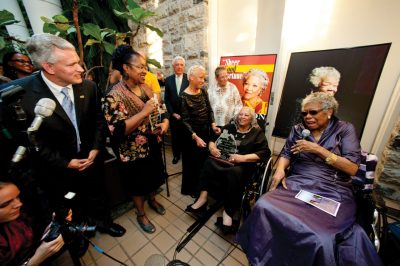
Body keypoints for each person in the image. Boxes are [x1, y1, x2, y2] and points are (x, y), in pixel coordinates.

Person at [0, 33, 125, 238]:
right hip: (57, 170)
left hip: (91, 159)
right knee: (69, 201)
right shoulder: (18, 96)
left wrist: (95, 148)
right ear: (49, 67)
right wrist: (65, 163)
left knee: (98, 193)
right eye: (71, 65)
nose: (81, 69)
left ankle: (104, 222)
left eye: (79, 62)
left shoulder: (89, 87)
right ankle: (80, 232)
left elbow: (98, 122)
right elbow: (28, 142)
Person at [236, 92, 381, 265]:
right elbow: (286, 152)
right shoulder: (298, 130)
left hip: (332, 188)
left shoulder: (345, 129)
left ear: (329, 112)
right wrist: (280, 169)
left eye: (313, 112)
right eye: (304, 113)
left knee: (321, 235)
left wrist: (318, 149)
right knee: (263, 205)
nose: (307, 117)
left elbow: (352, 168)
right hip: (299, 182)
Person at [103, 45, 169, 234]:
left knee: (154, 176)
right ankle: (141, 213)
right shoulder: (113, 96)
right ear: (126, 68)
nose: (144, 70)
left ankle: (153, 199)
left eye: (145, 66)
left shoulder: (146, 88)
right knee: (137, 183)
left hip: (152, 144)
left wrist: (165, 123)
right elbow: (117, 131)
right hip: (131, 150)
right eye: (140, 66)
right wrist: (144, 112)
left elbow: (161, 108)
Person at [185, 107, 270, 233]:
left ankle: (228, 212)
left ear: (251, 119)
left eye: (246, 115)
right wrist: (212, 148)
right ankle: (202, 198)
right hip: (223, 160)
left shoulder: (257, 133)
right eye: (240, 114)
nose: (242, 117)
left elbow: (264, 153)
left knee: (234, 173)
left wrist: (243, 158)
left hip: (241, 166)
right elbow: (213, 139)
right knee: (208, 163)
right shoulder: (229, 127)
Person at [0, 181, 64, 266]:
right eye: (6, 204)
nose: (19, 204)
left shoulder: (16, 218)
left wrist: (51, 227)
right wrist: (36, 260)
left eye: (17, 197)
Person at [180, 65, 221, 197]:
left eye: (204, 77)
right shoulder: (183, 97)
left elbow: (209, 110)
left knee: (204, 162)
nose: (203, 80)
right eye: (201, 77)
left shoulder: (203, 91)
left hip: (205, 132)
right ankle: (193, 189)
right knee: (193, 164)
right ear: (191, 78)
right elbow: (185, 120)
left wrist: (213, 124)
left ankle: (203, 187)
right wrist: (195, 137)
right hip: (192, 136)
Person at [163, 56, 189, 164]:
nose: (179, 67)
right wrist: (172, 113)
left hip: (187, 116)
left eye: (181, 65)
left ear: (184, 66)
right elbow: (167, 99)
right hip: (174, 115)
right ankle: (176, 155)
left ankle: (187, 156)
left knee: (187, 136)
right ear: (173, 66)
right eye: (177, 65)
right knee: (175, 137)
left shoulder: (189, 78)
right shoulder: (168, 80)